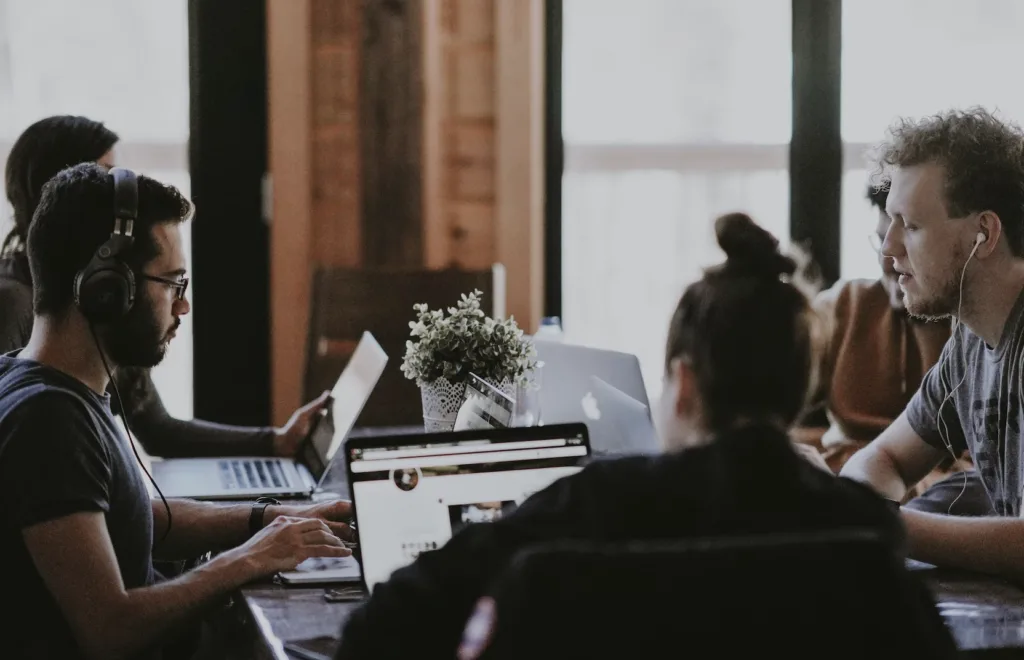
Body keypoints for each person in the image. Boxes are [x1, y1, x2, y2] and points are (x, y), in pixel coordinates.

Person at [335, 213, 904, 658]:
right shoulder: (864, 528)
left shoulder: (594, 505)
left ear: (682, 384)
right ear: (800, 385)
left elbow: (379, 625)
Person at [0, 163, 354, 659]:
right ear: (105, 289)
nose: (182, 307)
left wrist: (273, 519)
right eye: (173, 282)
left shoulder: (36, 381)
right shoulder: (49, 420)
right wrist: (249, 559)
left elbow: (130, 517)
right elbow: (110, 630)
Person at [0, 115, 326, 459]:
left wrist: (277, 441)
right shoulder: (17, 303)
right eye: (105, 177)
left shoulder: (114, 297)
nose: (120, 195)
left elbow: (159, 431)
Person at [840, 107, 1024, 582]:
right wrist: (863, 508)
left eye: (912, 226)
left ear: (984, 233)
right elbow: (882, 457)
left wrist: (882, 523)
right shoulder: (969, 339)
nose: (888, 249)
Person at [795, 182, 991, 516]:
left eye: (910, 236)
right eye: (881, 240)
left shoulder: (979, 335)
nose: (888, 261)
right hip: (861, 485)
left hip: (941, 501)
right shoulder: (844, 306)